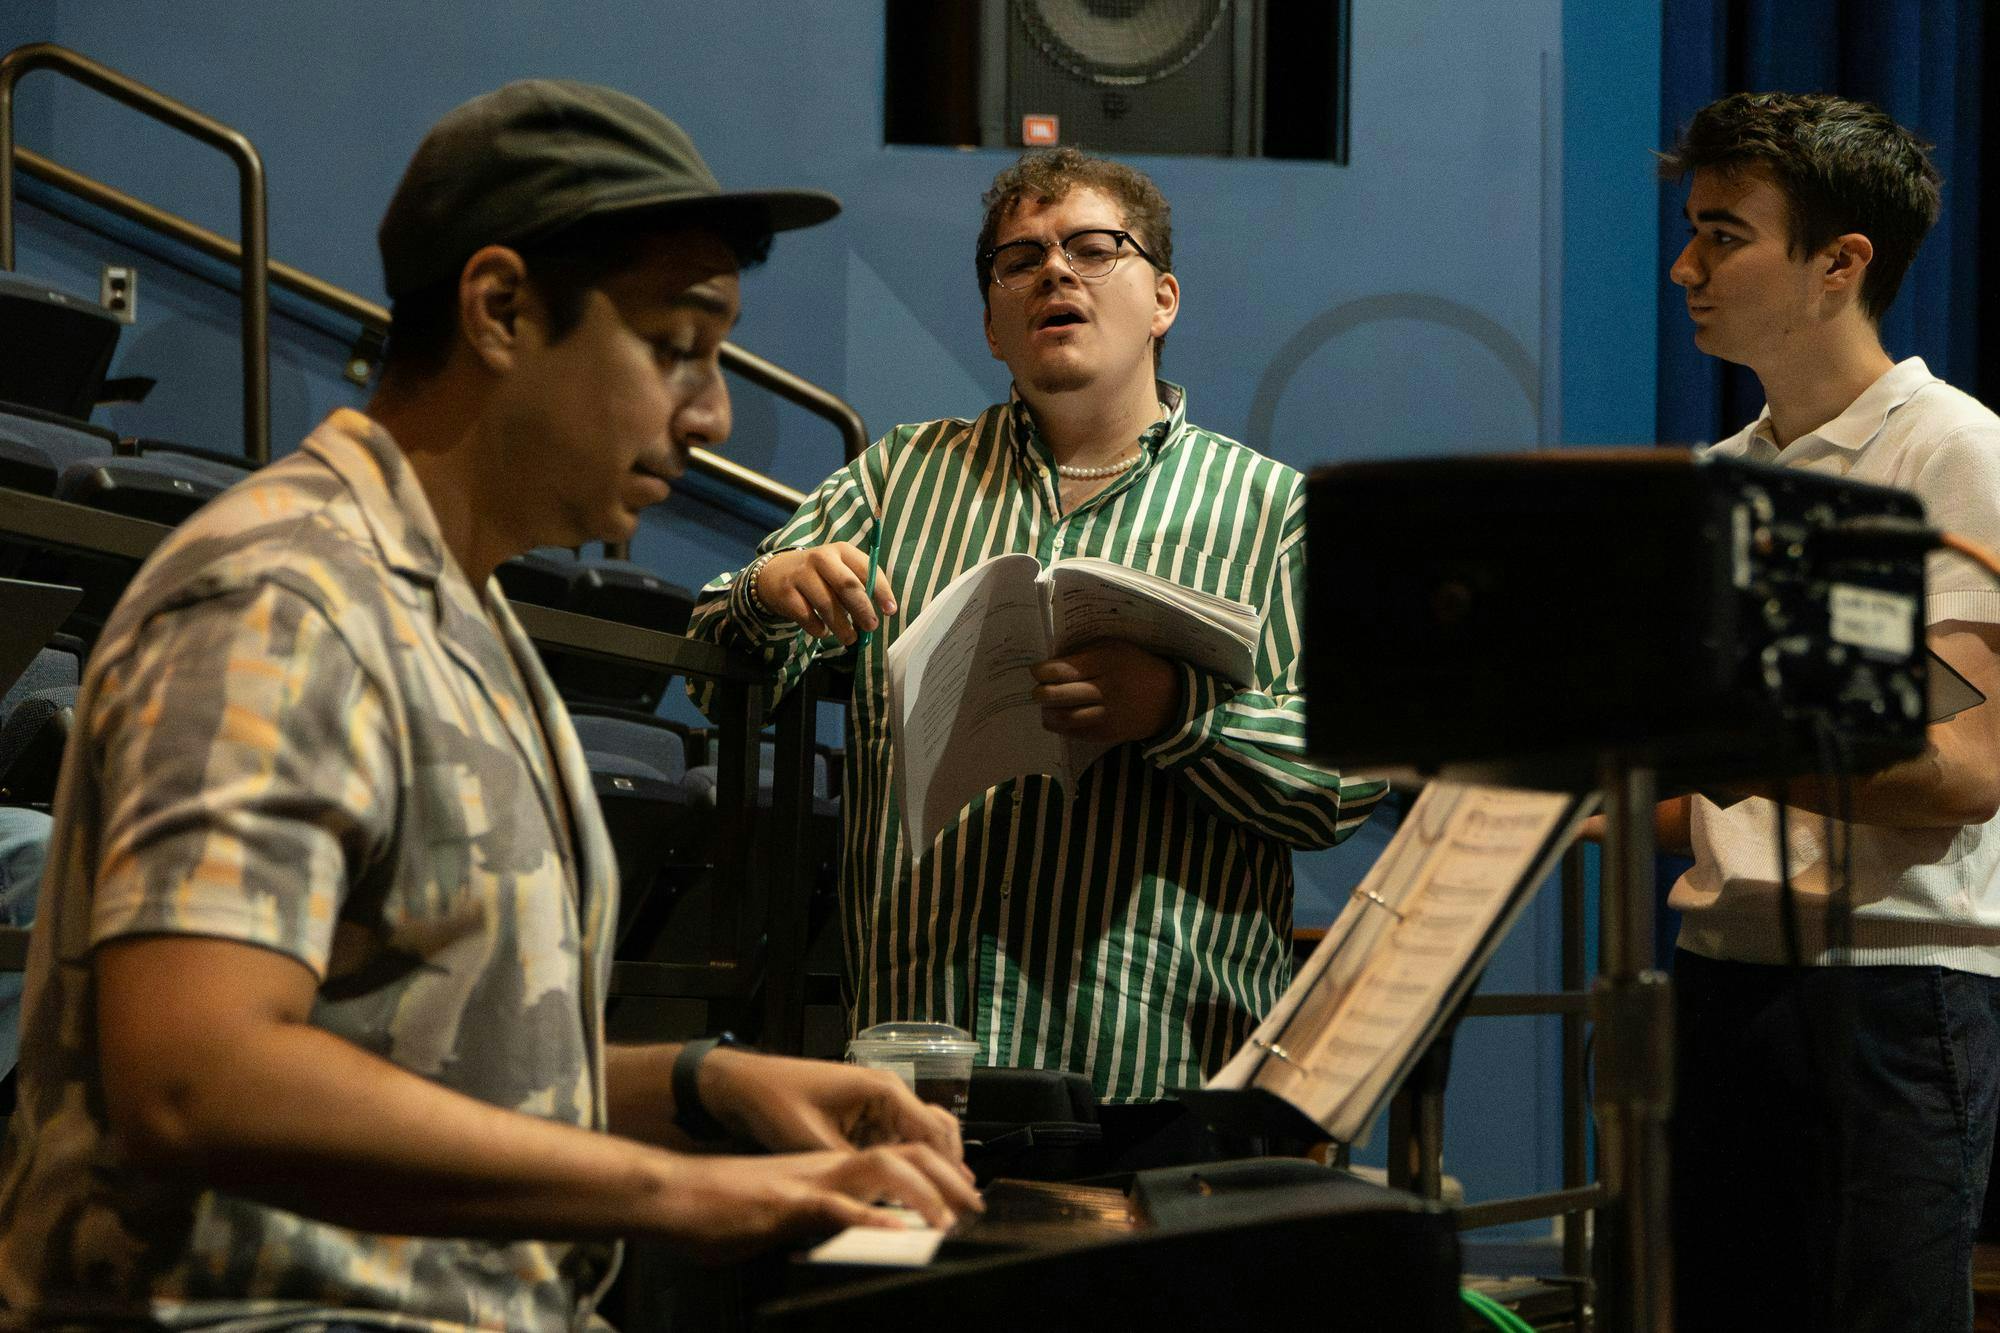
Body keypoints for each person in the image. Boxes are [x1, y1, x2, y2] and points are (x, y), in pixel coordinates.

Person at [0, 81, 978, 1329]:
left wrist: (701, 1084)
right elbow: (198, 1076)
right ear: (501, 309)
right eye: (678, 347)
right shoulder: (282, 595)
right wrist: (677, 1194)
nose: (714, 411)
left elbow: (416, 1062)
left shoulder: (446, 605)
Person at [687, 148, 1384, 1131]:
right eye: (1019, 260)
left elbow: (1348, 775)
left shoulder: (1272, 511)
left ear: (1162, 301)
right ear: (991, 326)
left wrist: (1175, 712)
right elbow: (716, 662)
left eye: (1094, 248)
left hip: (1160, 1071)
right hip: (917, 1055)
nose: (1054, 271)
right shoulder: (899, 478)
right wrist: (767, 587)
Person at [1657, 91, 2000, 1332]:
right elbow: (1697, 798)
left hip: (1890, 994)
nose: (1685, 266)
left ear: (1837, 264)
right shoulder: (1716, 477)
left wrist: (1725, 744)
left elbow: (1964, 772)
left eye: (1721, 233)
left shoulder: (1954, 449)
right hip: (1717, 977)